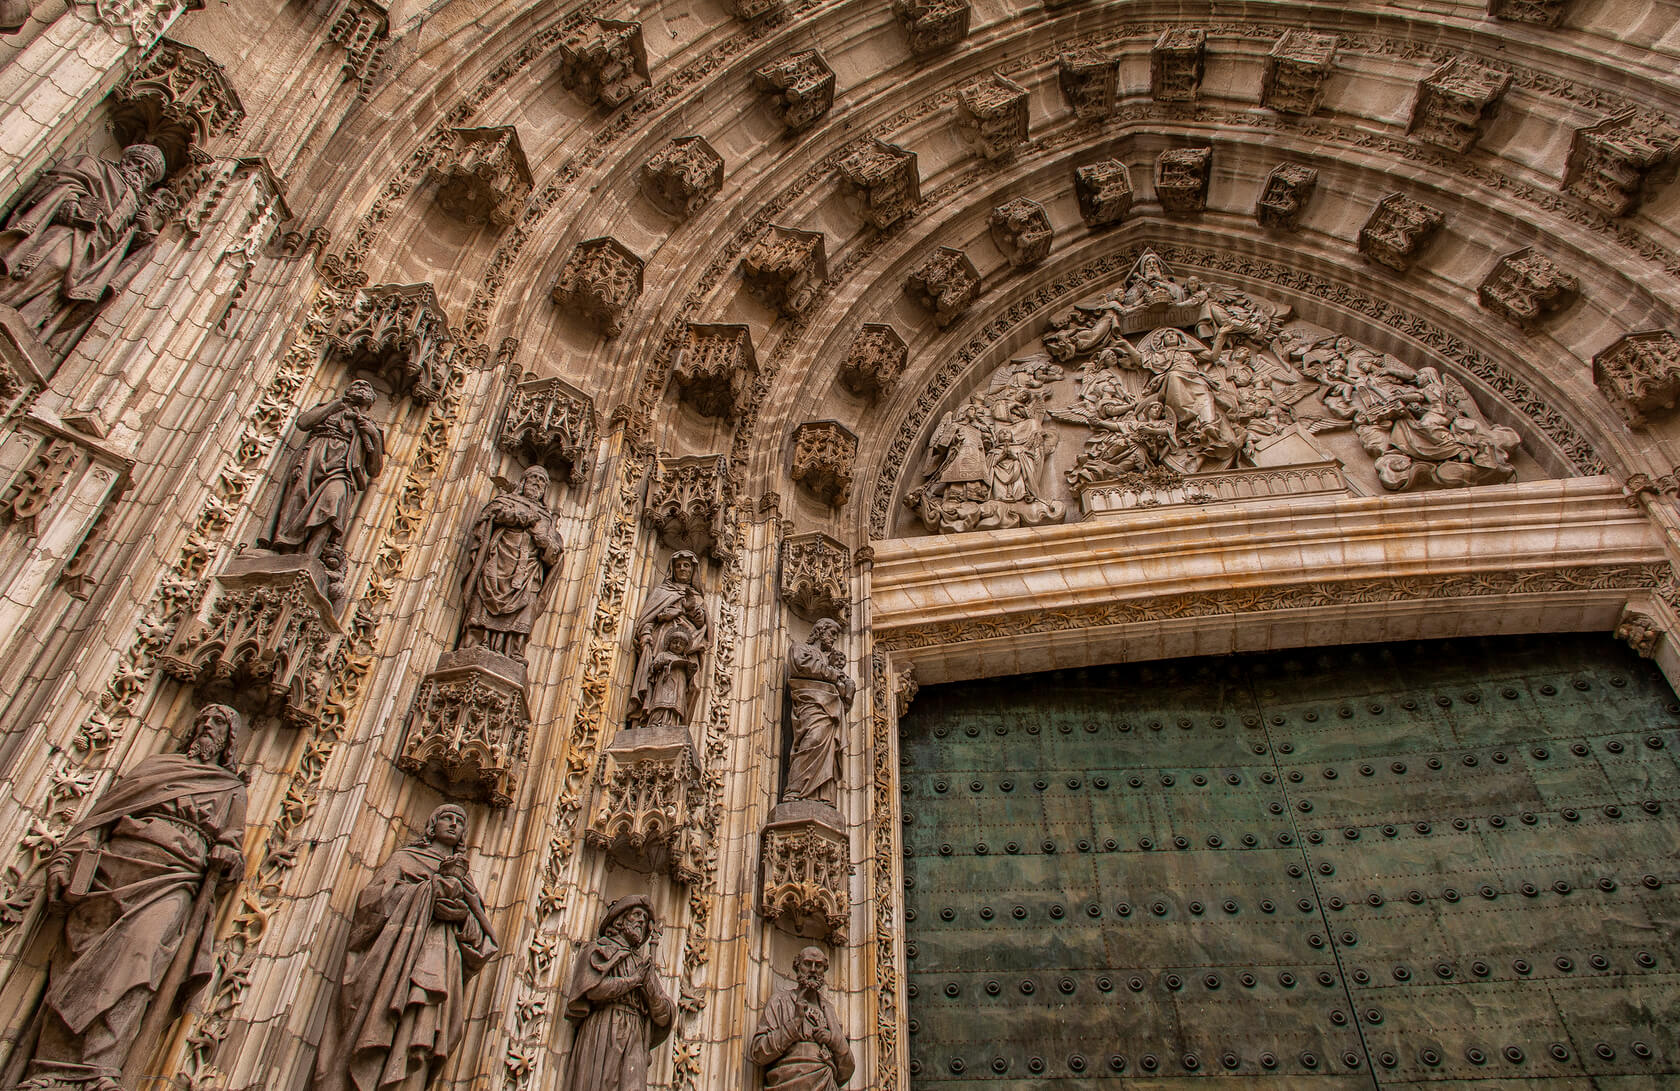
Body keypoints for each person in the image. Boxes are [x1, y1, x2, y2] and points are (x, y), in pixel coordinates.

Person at [16, 704, 247, 1089]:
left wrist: (228, 855)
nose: (208, 725)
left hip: (173, 883)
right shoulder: (155, 769)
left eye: (218, 722)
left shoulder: (231, 789)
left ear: (229, 738)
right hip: (114, 871)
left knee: (142, 957)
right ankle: (50, 1068)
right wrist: (65, 860)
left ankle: (100, 1068)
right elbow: (100, 819)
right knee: (80, 967)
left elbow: (234, 851)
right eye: (203, 718)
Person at [314, 804, 498, 1091]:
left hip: (441, 963)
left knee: (425, 1036)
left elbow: (481, 939)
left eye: (459, 821)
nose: (453, 824)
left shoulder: (467, 882)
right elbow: (370, 903)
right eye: (447, 818)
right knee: (380, 1023)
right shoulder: (405, 859)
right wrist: (426, 893)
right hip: (396, 960)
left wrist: (461, 915)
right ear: (432, 824)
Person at [0, 144, 169, 351]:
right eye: (137, 162)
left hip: (96, 257)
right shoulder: (97, 166)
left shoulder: (139, 205)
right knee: (54, 262)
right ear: (126, 159)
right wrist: (71, 200)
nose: (140, 169)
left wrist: (145, 230)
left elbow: (131, 249)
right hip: (74, 231)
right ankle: (5, 300)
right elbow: (64, 178)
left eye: (147, 169)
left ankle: (26, 321)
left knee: (61, 292)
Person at [260, 379, 385, 587]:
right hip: (313, 460)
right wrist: (337, 404)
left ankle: (311, 557)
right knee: (298, 502)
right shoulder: (331, 409)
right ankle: (286, 552)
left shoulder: (371, 427)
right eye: (356, 385)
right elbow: (303, 423)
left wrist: (372, 435)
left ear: (371, 401)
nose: (361, 388)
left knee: (332, 502)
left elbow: (374, 469)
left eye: (366, 387)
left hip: (342, 471)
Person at [561, 895, 673, 1091]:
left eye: (645, 919)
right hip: (605, 1027)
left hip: (635, 1036)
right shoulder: (599, 950)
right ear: (620, 920)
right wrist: (632, 981)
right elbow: (592, 989)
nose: (641, 921)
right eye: (637, 915)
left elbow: (664, 1015)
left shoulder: (642, 965)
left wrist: (651, 991)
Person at [459, 466, 562, 660]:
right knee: (484, 599)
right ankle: (475, 642)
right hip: (499, 564)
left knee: (527, 606)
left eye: (542, 481)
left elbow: (555, 554)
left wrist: (546, 544)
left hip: (528, 571)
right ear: (523, 481)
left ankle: (514, 650)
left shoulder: (547, 517)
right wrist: (523, 518)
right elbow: (490, 516)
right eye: (534, 478)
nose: (537, 483)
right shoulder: (506, 501)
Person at [748, 947, 854, 1091]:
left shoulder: (828, 1010)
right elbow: (759, 1052)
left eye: (818, 965)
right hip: (789, 1081)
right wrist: (795, 1023)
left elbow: (847, 1068)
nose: (813, 969)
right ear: (797, 967)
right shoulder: (779, 1002)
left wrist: (832, 1040)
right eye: (807, 963)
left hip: (826, 1081)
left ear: (824, 970)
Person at [626, 552, 709, 730]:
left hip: (687, 646)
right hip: (661, 642)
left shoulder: (696, 597)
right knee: (661, 679)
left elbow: (703, 624)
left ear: (692, 569)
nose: (682, 569)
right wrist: (646, 634)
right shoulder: (662, 592)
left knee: (690, 685)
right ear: (673, 569)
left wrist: (689, 608)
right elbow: (647, 619)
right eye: (679, 565)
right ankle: (650, 720)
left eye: (686, 565)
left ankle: (676, 723)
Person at [783, 619, 855, 806]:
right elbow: (800, 665)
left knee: (828, 749)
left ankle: (822, 795)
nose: (833, 639)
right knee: (813, 740)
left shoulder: (829, 659)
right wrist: (833, 674)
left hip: (830, 708)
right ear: (820, 631)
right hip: (811, 705)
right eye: (832, 633)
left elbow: (840, 688)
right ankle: (796, 790)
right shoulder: (800, 648)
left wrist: (847, 688)